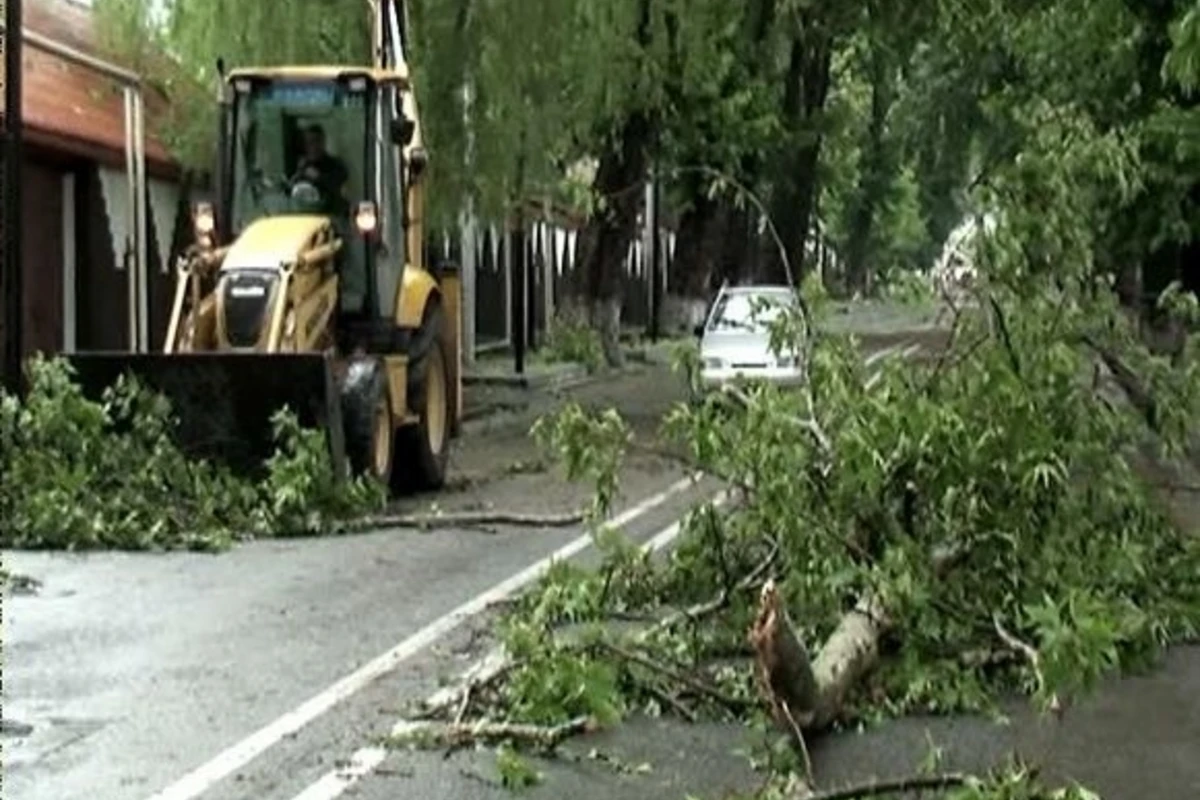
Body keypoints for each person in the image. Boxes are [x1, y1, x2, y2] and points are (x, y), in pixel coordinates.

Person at [291, 123, 349, 213]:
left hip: (331, 213)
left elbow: (338, 182)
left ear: (323, 142)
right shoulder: (301, 166)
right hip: (304, 213)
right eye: (309, 142)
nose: (313, 146)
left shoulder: (335, 164)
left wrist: (319, 177)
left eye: (316, 141)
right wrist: (299, 174)